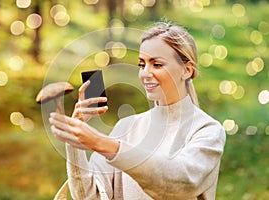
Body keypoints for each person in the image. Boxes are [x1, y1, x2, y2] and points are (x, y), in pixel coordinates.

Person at [49, 21, 226, 200]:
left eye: (157, 64)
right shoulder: (127, 126)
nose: (145, 74)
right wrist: (75, 139)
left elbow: (180, 181)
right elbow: (89, 195)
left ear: (186, 70)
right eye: (142, 65)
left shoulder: (207, 130)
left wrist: (102, 143)